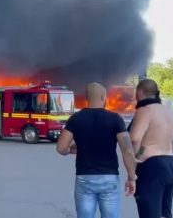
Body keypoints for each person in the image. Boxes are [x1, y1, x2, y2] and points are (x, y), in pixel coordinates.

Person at [57, 82, 137, 218]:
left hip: (84, 178)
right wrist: (131, 177)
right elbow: (127, 150)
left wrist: (71, 150)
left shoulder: (75, 119)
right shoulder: (115, 119)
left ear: (88, 98)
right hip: (109, 178)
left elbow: (61, 148)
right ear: (102, 98)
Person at [129, 79, 173, 218]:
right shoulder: (169, 111)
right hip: (170, 165)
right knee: (165, 214)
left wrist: (137, 157)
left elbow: (134, 138)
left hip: (151, 168)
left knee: (149, 214)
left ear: (140, 92)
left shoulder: (144, 110)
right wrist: (169, 148)